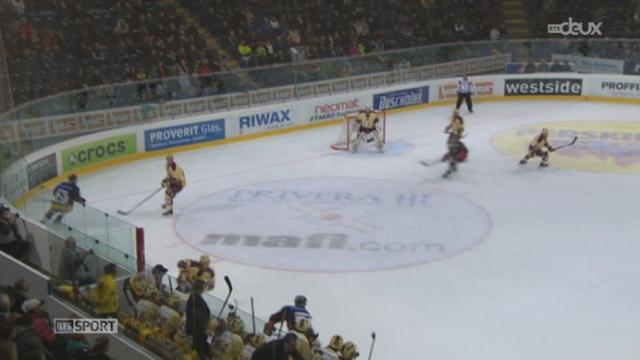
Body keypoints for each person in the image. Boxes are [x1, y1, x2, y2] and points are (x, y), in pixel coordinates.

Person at [186, 279, 210, 360]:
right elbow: (199, 319)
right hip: (198, 336)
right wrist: (206, 328)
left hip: (193, 332)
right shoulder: (197, 301)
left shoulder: (193, 298)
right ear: (201, 288)